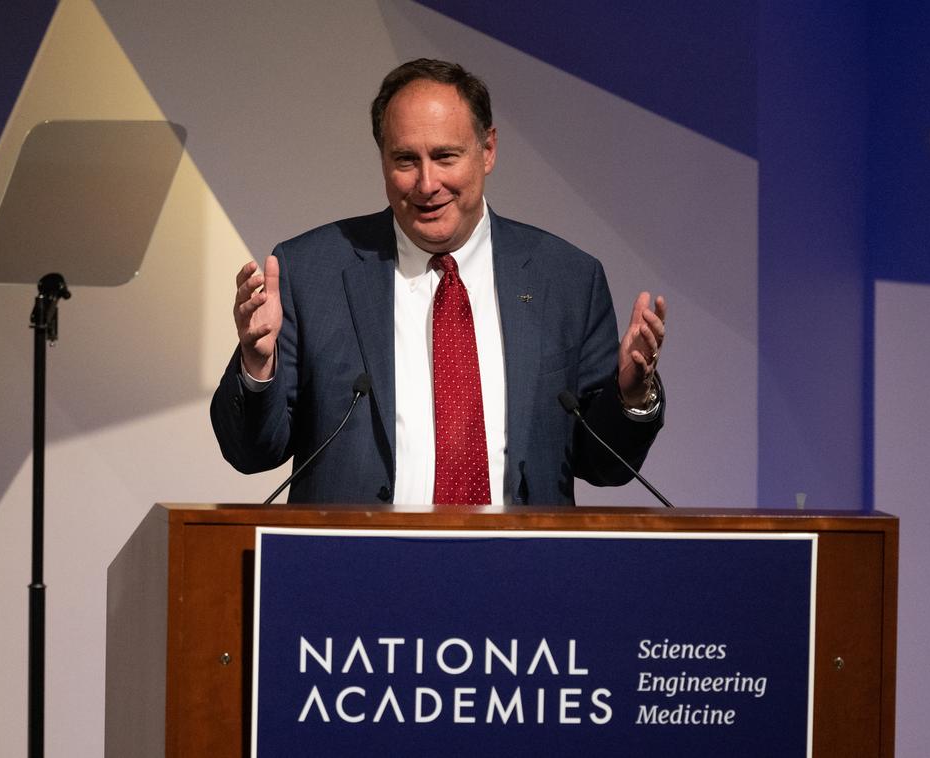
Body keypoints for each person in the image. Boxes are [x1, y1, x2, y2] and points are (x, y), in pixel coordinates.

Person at [210, 58, 667, 505]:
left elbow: (605, 466)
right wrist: (257, 369)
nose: (427, 183)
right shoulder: (311, 272)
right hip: (354, 568)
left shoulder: (566, 279)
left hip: (520, 567)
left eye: (445, 156)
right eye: (406, 159)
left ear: (487, 150)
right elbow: (251, 453)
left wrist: (632, 397)